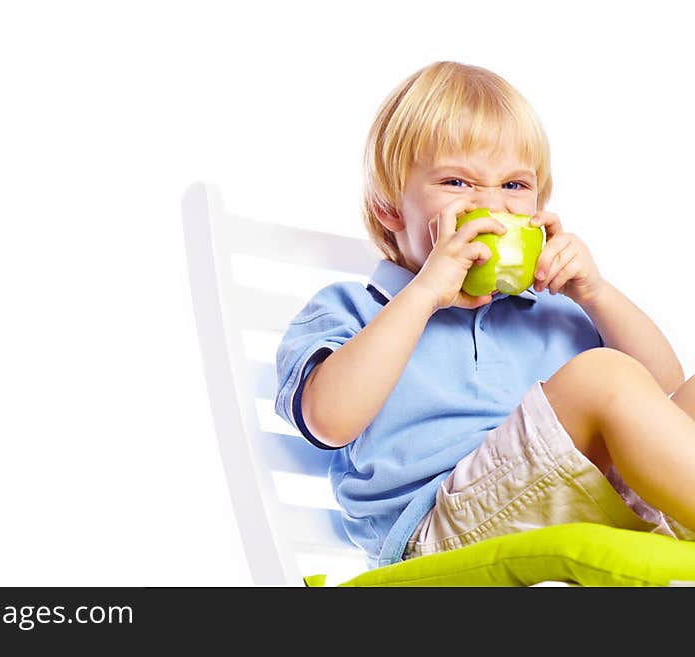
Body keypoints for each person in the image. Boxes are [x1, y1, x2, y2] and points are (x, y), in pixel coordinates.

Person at [274, 60, 695, 570]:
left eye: (515, 186)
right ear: (389, 207)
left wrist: (596, 293)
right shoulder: (356, 310)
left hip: (583, 496)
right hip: (442, 526)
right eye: (457, 182)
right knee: (604, 376)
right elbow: (330, 421)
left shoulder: (550, 310)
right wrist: (427, 292)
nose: (492, 206)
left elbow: (667, 394)